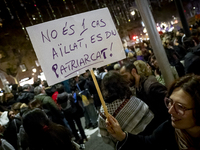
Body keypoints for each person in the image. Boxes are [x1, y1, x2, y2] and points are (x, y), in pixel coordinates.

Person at [106, 74, 200, 150]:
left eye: (180, 107)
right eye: (170, 102)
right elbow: (148, 143)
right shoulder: (169, 129)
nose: (170, 110)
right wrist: (122, 136)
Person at [99, 71, 154, 147]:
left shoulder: (104, 112)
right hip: (150, 135)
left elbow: (106, 136)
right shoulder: (130, 95)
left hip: (129, 144)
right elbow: (148, 115)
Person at [120, 62, 169, 134]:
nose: (124, 80)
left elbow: (168, 105)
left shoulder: (150, 86)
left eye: (125, 76)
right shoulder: (137, 88)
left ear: (133, 71)